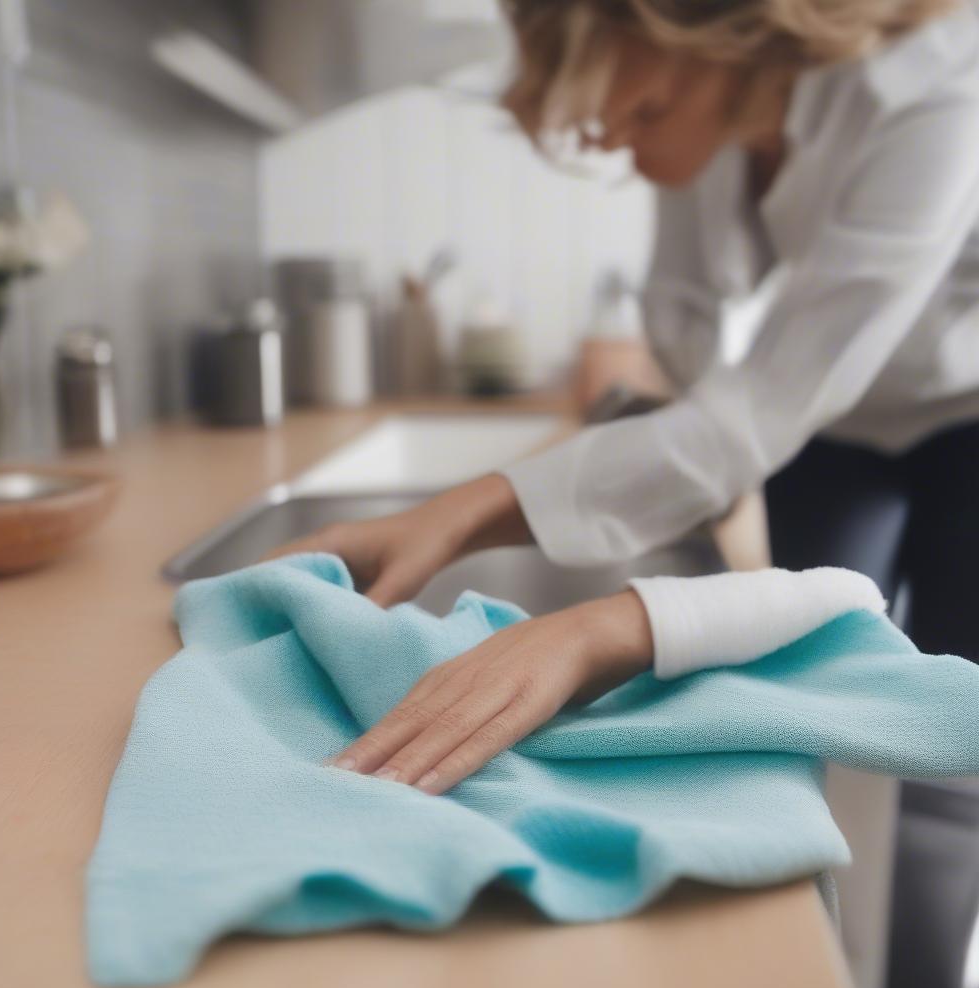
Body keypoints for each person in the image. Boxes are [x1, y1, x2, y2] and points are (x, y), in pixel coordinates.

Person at [271, 0, 979, 798]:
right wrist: (683, 467)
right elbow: (683, 314)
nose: (626, 151)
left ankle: (922, 895)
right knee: (812, 689)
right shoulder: (714, 95)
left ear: (733, 36)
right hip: (829, 417)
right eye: (611, 124)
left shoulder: (944, 87)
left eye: (644, 114)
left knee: (955, 707)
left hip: (964, 412)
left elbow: (760, 409)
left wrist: (465, 516)